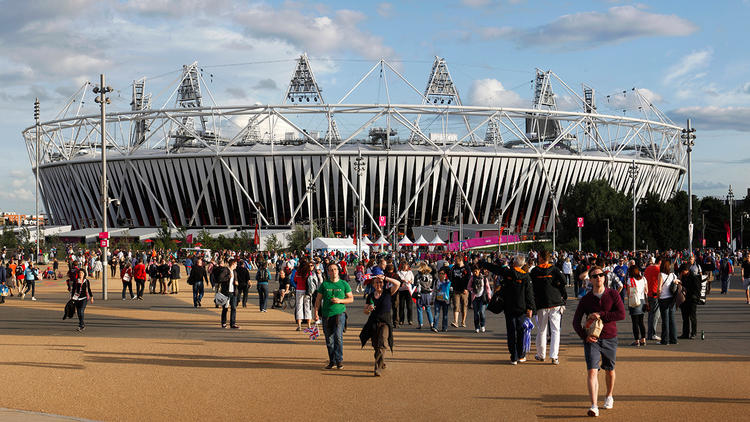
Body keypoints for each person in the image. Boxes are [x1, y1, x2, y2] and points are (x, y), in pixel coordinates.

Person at [572, 265, 625, 417]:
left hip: (610, 337)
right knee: (592, 371)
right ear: (590, 280)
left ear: (604, 277)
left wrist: (600, 315)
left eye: (600, 275)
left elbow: (621, 314)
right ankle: (594, 405)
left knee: (609, 369)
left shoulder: (613, 294)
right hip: (592, 339)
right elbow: (575, 322)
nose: (598, 278)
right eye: (594, 276)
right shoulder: (586, 299)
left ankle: (609, 395)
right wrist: (584, 336)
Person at [314, 262, 354, 370]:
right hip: (326, 315)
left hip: (339, 313)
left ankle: (339, 360)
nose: (333, 271)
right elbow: (318, 299)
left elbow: (351, 298)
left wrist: (340, 300)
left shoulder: (343, 284)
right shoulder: (324, 284)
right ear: (328, 272)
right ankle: (332, 361)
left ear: (338, 271)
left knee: (338, 337)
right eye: (331, 270)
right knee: (329, 340)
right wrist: (316, 313)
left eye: (335, 269)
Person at [360, 271, 400, 376]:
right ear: (373, 284)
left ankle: (377, 367)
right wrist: (368, 309)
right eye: (377, 283)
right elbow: (365, 311)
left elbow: (398, 283)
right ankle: (381, 362)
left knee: (382, 343)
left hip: (385, 322)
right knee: (376, 345)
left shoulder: (388, 292)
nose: (379, 284)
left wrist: (385, 277)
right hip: (373, 322)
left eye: (381, 282)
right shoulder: (370, 296)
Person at [530, 250, 567, 364]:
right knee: (555, 330)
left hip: (541, 303)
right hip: (555, 302)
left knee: (542, 330)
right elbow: (564, 281)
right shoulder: (554, 269)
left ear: (540, 257)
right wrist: (555, 283)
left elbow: (530, 285)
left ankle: (541, 355)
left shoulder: (535, 271)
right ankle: (554, 356)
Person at [501, 255, 536, 364]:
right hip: (521, 307)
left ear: (514, 263)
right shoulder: (526, 277)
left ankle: (514, 356)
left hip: (509, 307)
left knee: (511, 331)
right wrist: (531, 308)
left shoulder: (508, 273)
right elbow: (529, 294)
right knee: (521, 331)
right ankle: (521, 355)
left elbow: (503, 287)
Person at [658, 259, 680, 345]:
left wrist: (658, 296)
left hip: (663, 299)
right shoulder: (673, 275)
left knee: (665, 320)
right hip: (672, 299)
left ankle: (665, 340)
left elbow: (659, 288)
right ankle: (674, 339)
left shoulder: (661, 275)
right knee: (672, 319)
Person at [625, 266, 647, 346]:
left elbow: (628, 292)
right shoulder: (644, 279)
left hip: (634, 301)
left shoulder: (630, 280)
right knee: (641, 321)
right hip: (642, 300)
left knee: (635, 322)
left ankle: (637, 340)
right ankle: (643, 339)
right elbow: (646, 290)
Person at [679, 262, 701, 339]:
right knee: (685, 318)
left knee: (692, 317)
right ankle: (685, 333)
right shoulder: (683, 276)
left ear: (686, 270)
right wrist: (680, 278)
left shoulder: (694, 277)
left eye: (682, 271)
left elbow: (697, 289)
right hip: (684, 300)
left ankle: (693, 333)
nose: (681, 273)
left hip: (692, 299)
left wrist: (695, 298)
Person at [643, 256, 662, 342]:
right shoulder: (659, 270)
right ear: (660, 262)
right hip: (655, 294)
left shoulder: (647, 268)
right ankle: (652, 334)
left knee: (650, 315)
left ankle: (650, 334)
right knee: (656, 315)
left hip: (648, 294)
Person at [469, 265, 492, 334]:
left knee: (482, 312)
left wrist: (489, 297)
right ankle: (477, 327)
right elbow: (468, 287)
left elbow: (488, 288)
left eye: (476, 271)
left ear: (479, 270)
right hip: (475, 297)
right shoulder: (472, 278)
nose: (475, 273)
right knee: (476, 313)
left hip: (483, 297)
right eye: (473, 271)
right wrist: (472, 289)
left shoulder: (484, 278)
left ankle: (482, 325)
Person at [449, 253, 470, 328]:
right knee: (456, 305)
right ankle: (456, 322)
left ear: (460, 259)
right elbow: (451, 276)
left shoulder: (466, 268)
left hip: (464, 290)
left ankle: (463, 321)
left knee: (464, 306)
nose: (454, 260)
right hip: (456, 289)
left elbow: (468, 278)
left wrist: (466, 288)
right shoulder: (454, 267)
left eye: (456, 259)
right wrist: (452, 285)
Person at [414, 262, 436, 331]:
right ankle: (431, 323)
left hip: (420, 294)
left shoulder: (418, 275)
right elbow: (431, 285)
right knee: (428, 309)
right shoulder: (430, 275)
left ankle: (420, 324)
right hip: (428, 294)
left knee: (419, 309)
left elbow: (416, 284)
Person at [219, 259, 239, 329]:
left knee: (233, 308)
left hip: (233, 292)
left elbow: (236, 280)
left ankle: (232, 323)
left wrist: (236, 282)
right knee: (225, 308)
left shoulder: (234, 272)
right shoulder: (225, 270)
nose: (236, 265)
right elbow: (220, 279)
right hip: (226, 292)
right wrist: (228, 277)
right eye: (236, 264)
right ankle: (224, 323)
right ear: (232, 264)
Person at [395, 261, 414, 326]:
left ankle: (410, 320)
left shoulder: (410, 272)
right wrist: (401, 281)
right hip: (401, 290)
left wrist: (410, 281)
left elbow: (413, 280)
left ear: (407, 266)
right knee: (401, 306)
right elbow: (396, 280)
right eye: (403, 265)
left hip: (408, 290)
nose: (404, 266)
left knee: (409, 306)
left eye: (405, 265)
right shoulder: (398, 272)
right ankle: (401, 320)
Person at [433, 268, 451, 332]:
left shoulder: (447, 282)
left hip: (445, 300)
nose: (441, 275)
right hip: (437, 299)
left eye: (442, 274)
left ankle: (444, 327)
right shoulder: (436, 281)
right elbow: (434, 290)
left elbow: (450, 289)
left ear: (445, 275)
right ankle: (435, 327)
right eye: (439, 273)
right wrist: (432, 299)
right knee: (436, 314)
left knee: (445, 314)